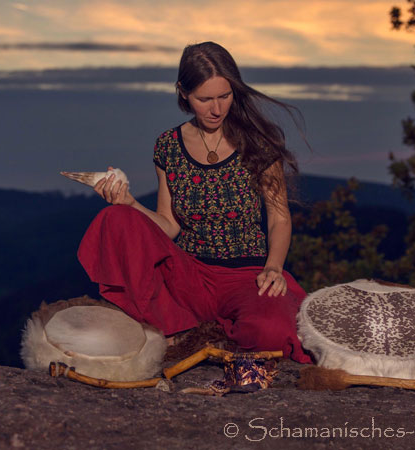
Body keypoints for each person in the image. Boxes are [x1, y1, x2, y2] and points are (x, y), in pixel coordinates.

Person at [77, 41, 312, 363]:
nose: (217, 109)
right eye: (205, 99)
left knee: (272, 333)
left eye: (224, 96)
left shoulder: (258, 142)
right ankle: (179, 325)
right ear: (183, 93)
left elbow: (279, 217)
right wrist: (129, 202)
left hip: (247, 276)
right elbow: (168, 225)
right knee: (115, 218)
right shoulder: (168, 146)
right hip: (188, 277)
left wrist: (274, 266)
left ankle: (214, 329)